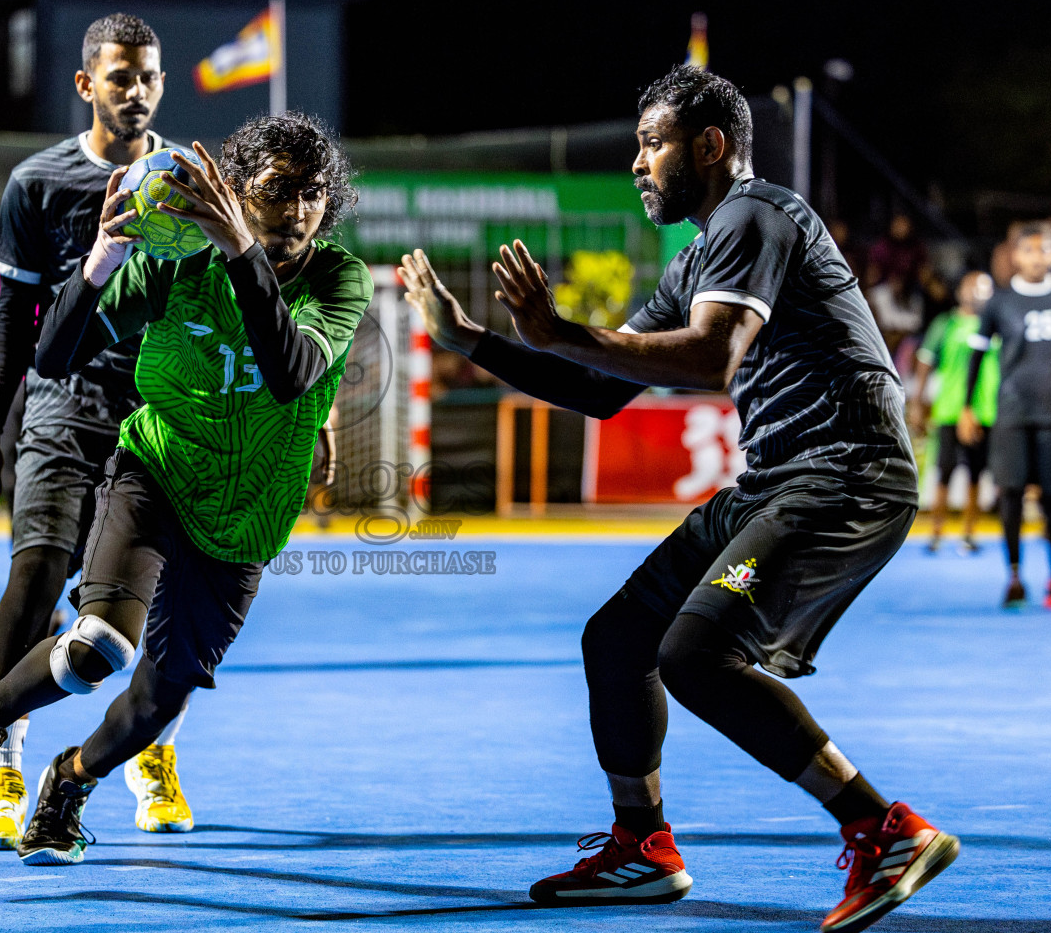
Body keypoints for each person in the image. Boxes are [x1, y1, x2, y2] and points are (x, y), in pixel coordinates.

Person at [400, 66, 955, 933]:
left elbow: (707, 361)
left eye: (652, 144)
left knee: (697, 655)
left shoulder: (754, 214)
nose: (637, 163)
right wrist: (471, 339)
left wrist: (558, 330)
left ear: (709, 145)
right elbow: (602, 388)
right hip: (779, 477)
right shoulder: (704, 250)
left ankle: (884, 829)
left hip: (845, 471)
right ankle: (644, 849)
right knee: (619, 640)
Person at [0, 113, 369, 866]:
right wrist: (101, 261)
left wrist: (239, 245)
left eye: (313, 192)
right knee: (99, 646)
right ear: (237, 192)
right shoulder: (178, 264)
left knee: (158, 700)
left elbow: (290, 373)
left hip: (247, 513)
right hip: (157, 468)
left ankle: (69, 781)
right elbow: (54, 354)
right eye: (278, 190)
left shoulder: (339, 277)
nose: (300, 209)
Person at [0, 13, 197, 850]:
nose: (137, 90)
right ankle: (3, 771)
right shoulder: (36, 183)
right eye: (121, 76)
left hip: (160, 417)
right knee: (35, 575)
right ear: (86, 84)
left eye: (151, 77)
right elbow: (11, 319)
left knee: (157, 601)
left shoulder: (192, 180)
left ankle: (150, 752)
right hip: (59, 407)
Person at [960, 223, 1051, 609]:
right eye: (1028, 251)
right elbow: (976, 357)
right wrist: (966, 409)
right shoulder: (999, 302)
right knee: (1010, 494)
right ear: (1016, 256)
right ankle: (1013, 577)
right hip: (1009, 414)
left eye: (1044, 250)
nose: (1036, 257)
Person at [909, 272, 998, 554]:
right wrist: (917, 402)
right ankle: (936, 533)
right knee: (944, 473)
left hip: (985, 411)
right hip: (949, 410)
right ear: (961, 291)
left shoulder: (995, 325)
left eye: (985, 288)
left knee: (976, 474)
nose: (979, 293)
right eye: (973, 287)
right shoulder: (945, 323)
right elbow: (924, 362)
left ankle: (969, 534)